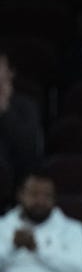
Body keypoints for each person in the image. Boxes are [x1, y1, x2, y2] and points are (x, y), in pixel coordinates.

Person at [0, 170, 82, 272]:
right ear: (20, 195)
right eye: (34, 194)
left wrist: (38, 249)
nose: (40, 201)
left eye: (47, 196)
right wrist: (11, 247)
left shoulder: (72, 228)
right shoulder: (3, 225)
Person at [0, 52, 43, 187]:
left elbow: (28, 150)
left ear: (10, 73)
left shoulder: (26, 106)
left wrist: (5, 109)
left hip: (16, 184)